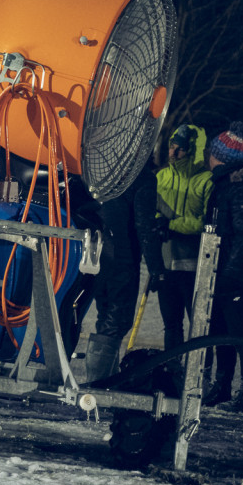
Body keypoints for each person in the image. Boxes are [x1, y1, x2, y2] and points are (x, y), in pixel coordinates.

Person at [202, 121, 243, 412]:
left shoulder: (240, 190)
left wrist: (230, 274)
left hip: (234, 276)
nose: (207, 155)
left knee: (241, 332)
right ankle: (223, 387)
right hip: (221, 273)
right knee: (220, 331)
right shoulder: (224, 186)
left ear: (220, 157)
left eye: (212, 152)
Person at [86, 157, 167, 382]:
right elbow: (144, 225)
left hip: (95, 256)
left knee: (106, 318)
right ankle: (100, 384)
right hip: (122, 259)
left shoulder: (101, 170)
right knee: (117, 320)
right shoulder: (141, 178)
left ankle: (105, 379)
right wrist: (156, 267)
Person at [155, 125, 214, 351]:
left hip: (193, 267)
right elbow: (152, 212)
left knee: (197, 327)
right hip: (166, 263)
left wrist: (171, 224)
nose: (173, 153)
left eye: (180, 149)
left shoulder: (205, 181)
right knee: (171, 326)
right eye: (172, 146)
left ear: (192, 151)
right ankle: (173, 371)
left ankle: (199, 374)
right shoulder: (162, 177)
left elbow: (204, 223)